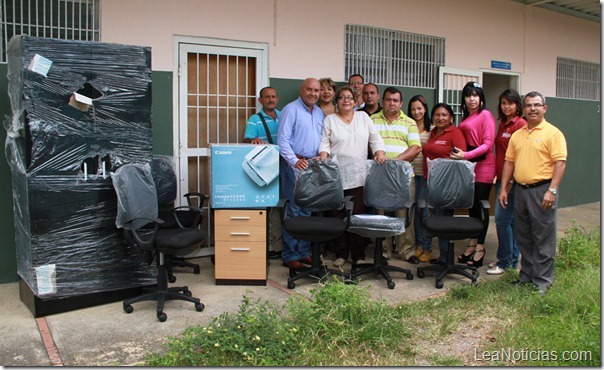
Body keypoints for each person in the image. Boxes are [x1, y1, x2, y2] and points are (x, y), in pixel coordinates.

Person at [498, 91, 567, 295]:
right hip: (520, 191)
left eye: (537, 105)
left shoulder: (553, 133)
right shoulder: (517, 135)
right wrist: (504, 188)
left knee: (543, 237)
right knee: (524, 235)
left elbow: (560, 163)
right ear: (524, 109)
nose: (532, 109)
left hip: (542, 191)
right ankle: (526, 276)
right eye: (528, 105)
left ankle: (543, 281)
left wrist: (552, 190)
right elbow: (509, 162)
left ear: (544, 108)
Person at [318, 86, 387, 267]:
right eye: (342, 97)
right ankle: (341, 253)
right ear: (337, 101)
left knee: (357, 216)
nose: (346, 100)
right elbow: (324, 143)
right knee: (339, 215)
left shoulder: (363, 117)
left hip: (359, 175)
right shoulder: (330, 120)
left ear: (355, 101)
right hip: (337, 175)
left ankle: (358, 255)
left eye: (350, 97)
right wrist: (323, 158)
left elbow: (375, 138)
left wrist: (379, 152)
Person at [277, 78, 325, 270]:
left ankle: (303, 252)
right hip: (294, 165)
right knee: (293, 212)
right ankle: (290, 255)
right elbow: (282, 140)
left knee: (307, 211)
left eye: (316, 90)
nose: (313, 93)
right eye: (309, 90)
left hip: (312, 166)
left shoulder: (319, 112)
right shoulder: (291, 109)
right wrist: (295, 161)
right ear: (301, 90)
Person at [371, 87, 421, 264]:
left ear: (400, 103)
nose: (391, 103)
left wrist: (395, 161)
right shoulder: (372, 120)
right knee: (381, 213)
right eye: (388, 99)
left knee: (404, 213)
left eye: (395, 100)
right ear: (382, 101)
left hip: (403, 176)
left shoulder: (409, 122)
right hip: (380, 175)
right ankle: (383, 251)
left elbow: (415, 148)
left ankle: (406, 251)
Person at [450, 82, 496, 268]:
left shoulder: (486, 115)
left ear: (481, 98)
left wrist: (466, 155)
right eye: (469, 95)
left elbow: (488, 144)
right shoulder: (466, 117)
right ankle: (471, 243)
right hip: (469, 166)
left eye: (476, 95)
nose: (472, 99)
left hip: (484, 164)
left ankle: (480, 247)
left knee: (481, 206)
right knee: (472, 208)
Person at [486, 89, 526, 275]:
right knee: (510, 223)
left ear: (518, 105)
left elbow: (519, 157)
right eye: (503, 103)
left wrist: (507, 183)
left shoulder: (521, 125)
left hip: (512, 181)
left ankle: (504, 263)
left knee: (502, 221)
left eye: (510, 103)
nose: (507, 106)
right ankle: (510, 262)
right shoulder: (502, 124)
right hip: (502, 178)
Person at [421, 103, 467, 264]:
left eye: (444, 115)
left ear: (451, 118)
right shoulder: (433, 133)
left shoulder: (455, 133)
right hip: (430, 181)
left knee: (443, 219)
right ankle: (442, 255)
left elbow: (459, 160)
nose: (440, 118)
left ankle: (446, 257)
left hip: (446, 184)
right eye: (437, 115)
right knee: (434, 217)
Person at [244, 86, 283, 258]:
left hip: (285, 166)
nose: (271, 100)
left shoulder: (284, 116)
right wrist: (253, 140)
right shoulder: (255, 119)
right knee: (268, 207)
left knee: (281, 207)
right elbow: (246, 140)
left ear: (277, 99)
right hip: (266, 170)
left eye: (273, 96)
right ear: (260, 100)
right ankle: (269, 247)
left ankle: (280, 246)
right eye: (267, 97)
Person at [407, 95, 433, 263]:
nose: (416, 112)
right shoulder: (407, 126)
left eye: (419, 108)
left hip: (425, 176)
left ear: (425, 109)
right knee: (413, 211)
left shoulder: (433, 128)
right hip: (409, 174)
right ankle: (418, 244)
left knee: (424, 211)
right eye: (413, 109)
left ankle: (427, 246)